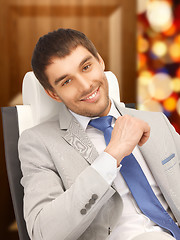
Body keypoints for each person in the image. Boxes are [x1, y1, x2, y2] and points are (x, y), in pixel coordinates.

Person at [18, 28, 180, 240]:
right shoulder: (38, 143)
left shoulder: (155, 121)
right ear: (53, 94)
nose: (85, 86)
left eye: (86, 67)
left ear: (100, 61)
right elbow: (43, 233)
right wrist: (111, 156)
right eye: (66, 81)